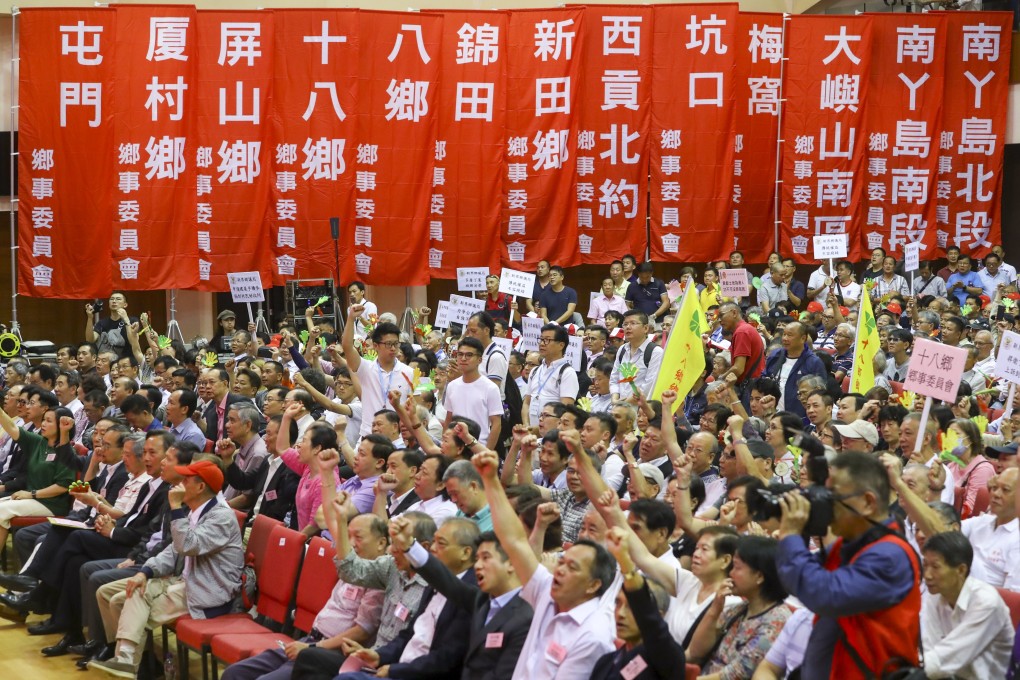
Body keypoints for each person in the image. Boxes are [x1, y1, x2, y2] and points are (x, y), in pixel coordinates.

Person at [89, 459, 243, 678]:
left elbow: (187, 545)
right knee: (124, 594)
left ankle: (131, 662)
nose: (179, 483)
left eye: (186, 479)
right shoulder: (195, 512)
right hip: (185, 582)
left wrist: (175, 508)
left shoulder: (221, 517)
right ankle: (130, 661)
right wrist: (145, 572)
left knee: (129, 603)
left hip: (208, 592)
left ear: (201, 487)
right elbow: (172, 551)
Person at [474, 446, 618, 679]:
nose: (559, 570)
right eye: (562, 563)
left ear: (593, 584)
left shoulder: (594, 634)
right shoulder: (548, 592)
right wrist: (490, 480)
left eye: (572, 567)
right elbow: (513, 540)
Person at [776, 451, 921, 678]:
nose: (826, 505)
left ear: (867, 502)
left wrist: (791, 536)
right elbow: (795, 577)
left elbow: (824, 594)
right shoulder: (849, 544)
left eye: (833, 497)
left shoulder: (890, 556)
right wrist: (797, 530)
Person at [219, 513, 388, 680]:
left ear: (381, 543)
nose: (350, 543)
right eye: (348, 536)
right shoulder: (352, 567)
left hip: (332, 653)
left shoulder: (379, 581)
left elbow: (362, 632)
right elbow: (324, 515)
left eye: (358, 537)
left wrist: (313, 647)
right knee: (235, 673)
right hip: (311, 640)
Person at [390, 519, 533, 680]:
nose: (478, 565)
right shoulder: (481, 600)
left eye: (486, 558)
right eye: (477, 558)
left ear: (511, 563)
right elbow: (442, 578)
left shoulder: (526, 616)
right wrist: (409, 546)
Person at [687, 536, 791, 679]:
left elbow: (735, 675)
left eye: (736, 567)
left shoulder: (776, 622)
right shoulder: (739, 609)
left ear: (759, 576)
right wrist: (715, 609)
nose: (730, 573)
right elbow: (696, 652)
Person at [591, 526, 686, 680]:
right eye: (618, 603)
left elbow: (649, 618)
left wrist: (626, 564)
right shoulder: (605, 661)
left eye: (631, 607)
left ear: (658, 615)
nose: (620, 614)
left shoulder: (667, 657)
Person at [920, 531, 1014, 679]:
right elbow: (930, 648)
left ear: (961, 570)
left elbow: (950, 656)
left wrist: (911, 671)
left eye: (935, 567)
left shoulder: (986, 602)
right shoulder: (935, 595)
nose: (927, 575)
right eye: (925, 565)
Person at [343, 307, 413, 439]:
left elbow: (414, 407)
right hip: (369, 434)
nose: (393, 348)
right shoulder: (366, 368)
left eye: (396, 344)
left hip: (396, 438)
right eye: (388, 344)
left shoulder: (409, 372)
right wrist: (351, 318)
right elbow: (347, 347)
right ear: (375, 345)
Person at [443, 337, 503, 449]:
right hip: (455, 446)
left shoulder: (490, 388)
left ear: (479, 360)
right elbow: (448, 418)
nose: (463, 358)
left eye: (469, 355)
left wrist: (487, 452)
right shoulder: (452, 385)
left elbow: (496, 424)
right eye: (460, 354)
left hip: (479, 445)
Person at [764, 322, 827, 423]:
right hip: (774, 415)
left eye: (790, 335)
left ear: (803, 338)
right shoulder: (775, 355)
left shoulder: (814, 362)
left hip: (800, 420)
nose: (785, 338)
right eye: (784, 334)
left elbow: (821, 394)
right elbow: (764, 376)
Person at [522, 324, 578, 428]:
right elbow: (526, 403)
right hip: (531, 431)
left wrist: (536, 430)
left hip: (552, 433)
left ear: (561, 345)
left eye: (547, 340)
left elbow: (565, 409)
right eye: (541, 339)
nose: (542, 344)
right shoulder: (535, 370)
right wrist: (526, 426)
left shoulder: (567, 372)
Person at [610, 310, 664, 401]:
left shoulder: (655, 352)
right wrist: (614, 399)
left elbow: (649, 386)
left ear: (645, 328)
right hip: (619, 406)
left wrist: (624, 403)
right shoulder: (622, 349)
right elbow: (614, 379)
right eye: (625, 324)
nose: (628, 327)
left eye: (633, 323)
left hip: (642, 407)